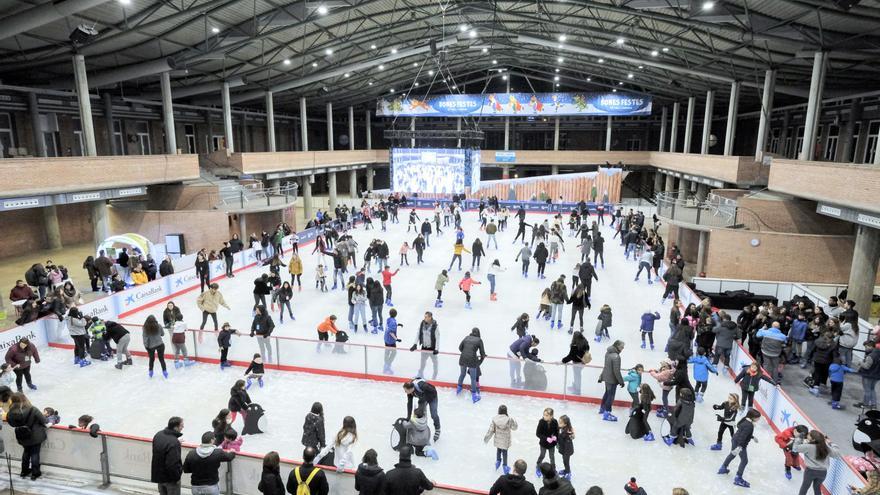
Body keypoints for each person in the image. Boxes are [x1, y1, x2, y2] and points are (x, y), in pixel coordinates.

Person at [6, 392, 48, 480]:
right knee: (35, 453)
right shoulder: (32, 409)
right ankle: (35, 473)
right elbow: (44, 421)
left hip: (22, 435)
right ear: (24, 398)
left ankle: (24, 471)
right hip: (35, 435)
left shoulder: (11, 411)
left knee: (26, 452)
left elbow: (11, 423)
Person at [718, 408, 761, 488]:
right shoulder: (749, 426)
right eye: (757, 417)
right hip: (740, 443)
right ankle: (738, 478)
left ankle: (723, 467)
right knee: (744, 461)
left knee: (732, 454)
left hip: (735, 439)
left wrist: (752, 437)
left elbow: (741, 429)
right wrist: (740, 447)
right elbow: (743, 437)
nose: (758, 419)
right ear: (752, 417)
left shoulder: (745, 420)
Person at [793, 430, 841, 495]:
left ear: (813, 439)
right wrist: (830, 443)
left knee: (805, 487)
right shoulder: (825, 447)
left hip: (810, 472)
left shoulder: (808, 447)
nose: (807, 435)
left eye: (809, 434)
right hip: (823, 472)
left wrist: (799, 438)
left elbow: (795, 448)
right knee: (817, 487)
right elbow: (837, 453)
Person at [151, 416, 184, 495]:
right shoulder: (173, 442)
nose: (183, 427)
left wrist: (175, 442)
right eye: (181, 425)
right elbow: (172, 464)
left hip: (159, 477)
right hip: (170, 480)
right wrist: (177, 477)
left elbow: (161, 450)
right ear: (176, 427)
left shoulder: (158, 435)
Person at [598, 340, 625, 421]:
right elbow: (616, 371)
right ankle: (607, 413)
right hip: (612, 379)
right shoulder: (616, 356)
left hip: (606, 378)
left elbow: (606, 366)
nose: (623, 348)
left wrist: (601, 376)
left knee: (607, 393)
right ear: (616, 346)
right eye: (621, 347)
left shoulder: (608, 353)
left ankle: (602, 409)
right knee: (611, 396)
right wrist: (621, 381)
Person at [457, 328, 486, 402]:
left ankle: (458, 390)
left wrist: (465, 352)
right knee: (473, 378)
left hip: (463, 358)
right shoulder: (479, 340)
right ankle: (474, 396)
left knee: (462, 374)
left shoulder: (466, 337)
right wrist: (480, 360)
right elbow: (482, 353)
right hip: (471, 360)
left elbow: (460, 348)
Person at [411, 312, 439, 380]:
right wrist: (415, 344)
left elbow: (438, 337)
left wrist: (436, 348)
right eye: (424, 317)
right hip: (424, 347)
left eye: (426, 317)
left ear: (430, 317)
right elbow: (418, 333)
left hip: (432, 348)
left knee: (435, 363)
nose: (425, 318)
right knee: (422, 362)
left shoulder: (435, 325)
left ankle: (434, 376)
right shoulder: (422, 324)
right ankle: (420, 374)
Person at [561, 331, 589, 395]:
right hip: (582, 363)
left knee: (577, 376)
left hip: (577, 363)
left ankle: (577, 390)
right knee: (577, 376)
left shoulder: (575, 346)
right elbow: (587, 349)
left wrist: (563, 360)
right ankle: (575, 387)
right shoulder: (585, 342)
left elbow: (570, 356)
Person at [534, 408, 559, 478]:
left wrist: (555, 437)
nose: (544, 416)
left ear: (551, 416)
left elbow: (557, 432)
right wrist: (546, 438)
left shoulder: (555, 422)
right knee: (542, 455)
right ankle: (538, 466)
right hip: (543, 443)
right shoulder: (541, 421)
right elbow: (538, 433)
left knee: (552, 457)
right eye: (544, 415)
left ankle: (553, 469)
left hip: (552, 444)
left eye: (546, 415)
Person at [556, 415, 574, 480]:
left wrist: (571, 434)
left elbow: (572, 437)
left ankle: (568, 473)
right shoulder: (560, 428)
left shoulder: (568, 431)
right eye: (559, 422)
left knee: (566, 461)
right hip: (563, 448)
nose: (559, 424)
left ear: (565, 424)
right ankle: (566, 470)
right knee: (564, 460)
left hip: (567, 449)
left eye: (560, 423)